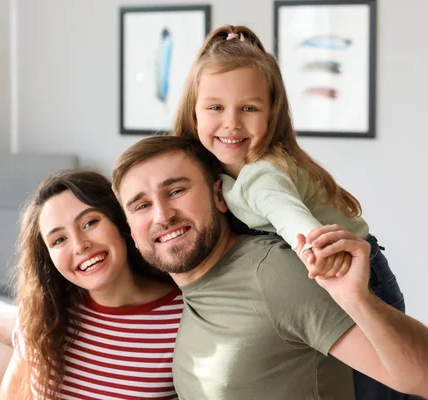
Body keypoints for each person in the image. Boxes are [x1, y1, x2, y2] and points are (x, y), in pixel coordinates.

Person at [112, 135, 428, 399]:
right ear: (130, 229)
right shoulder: (182, 291)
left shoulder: (274, 272)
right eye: (141, 205)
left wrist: (357, 300)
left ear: (220, 196)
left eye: (176, 190)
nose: (162, 215)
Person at [172, 25, 406, 397]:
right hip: (331, 274)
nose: (231, 122)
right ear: (194, 112)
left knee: (381, 384)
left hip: (359, 274)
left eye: (249, 108)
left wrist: (313, 250)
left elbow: (289, 217)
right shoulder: (215, 172)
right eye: (215, 107)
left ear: (272, 114)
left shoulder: (263, 175)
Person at [0, 170, 182, 400]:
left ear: (119, 221)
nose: (79, 245)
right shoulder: (42, 315)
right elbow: (12, 395)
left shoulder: (182, 317)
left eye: (89, 223)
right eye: (59, 240)